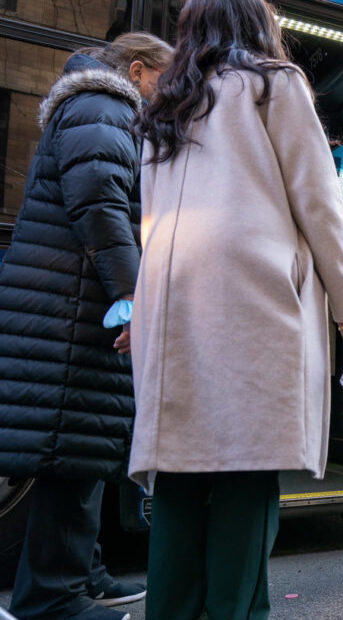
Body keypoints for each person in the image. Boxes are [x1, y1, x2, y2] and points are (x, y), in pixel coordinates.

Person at [132, 0, 343, 617]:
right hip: (252, 297)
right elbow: (318, 205)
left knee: (182, 472)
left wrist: (145, 308)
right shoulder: (274, 84)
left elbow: (148, 221)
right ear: (254, 23)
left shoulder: (165, 106)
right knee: (247, 471)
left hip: (171, 299)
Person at [0, 32, 171, 620]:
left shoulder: (93, 106)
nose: (165, 98)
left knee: (81, 447)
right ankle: (51, 598)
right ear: (139, 70)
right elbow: (99, 200)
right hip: (71, 310)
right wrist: (133, 291)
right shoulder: (105, 105)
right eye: (162, 85)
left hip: (71, 305)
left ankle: (80, 574)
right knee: (70, 448)